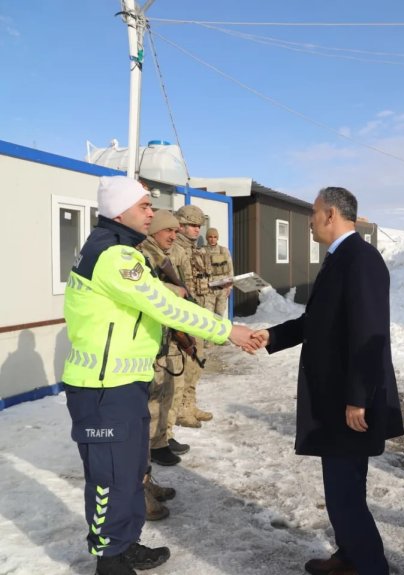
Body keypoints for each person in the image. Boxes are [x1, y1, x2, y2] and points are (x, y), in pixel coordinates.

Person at [62, 176, 254, 575]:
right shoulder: (115, 256)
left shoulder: (121, 250)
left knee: (132, 470)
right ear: (119, 211)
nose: (151, 211)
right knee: (110, 478)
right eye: (144, 205)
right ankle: (109, 559)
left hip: (123, 384)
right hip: (102, 389)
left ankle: (125, 544)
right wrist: (227, 329)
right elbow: (166, 307)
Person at [250, 187, 404, 575]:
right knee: (342, 490)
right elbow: (315, 322)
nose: (310, 221)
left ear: (331, 214)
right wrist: (271, 336)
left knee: (345, 493)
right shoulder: (341, 259)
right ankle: (349, 558)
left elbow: (370, 334)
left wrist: (358, 399)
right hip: (335, 397)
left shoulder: (361, 260)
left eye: (314, 213)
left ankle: (370, 567)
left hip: (348, 402)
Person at [137, 209, 183, 522]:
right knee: (143, 420)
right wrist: (173, 291)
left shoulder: (157, 254)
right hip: (141, 351)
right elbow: (146, 293)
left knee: (153, 411)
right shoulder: (140, 255)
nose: (173, 236)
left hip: (157, 342)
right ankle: (138, 495)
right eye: (169, 231)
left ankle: (145, 481)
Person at [173, 204, 214, 426]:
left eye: (199, 226)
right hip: (183, 316)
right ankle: (180, 409)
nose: (196, 230)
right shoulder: (174, 251)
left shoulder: (195, 250)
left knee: (198, 361)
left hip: (198, 313)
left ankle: (190, 402)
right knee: (186, 363)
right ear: (180, 225)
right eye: (192, 226)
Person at [203, 227, 234, 317]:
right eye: (210, 237)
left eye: (215, 237)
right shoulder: (202, 251)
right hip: (209, 289)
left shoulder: (223, 251)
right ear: (207, 238)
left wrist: (230, 287)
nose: (213, 239)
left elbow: (230, 269)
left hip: (223, 289)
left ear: (217, 238)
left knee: (219, 316)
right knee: (208, 315)